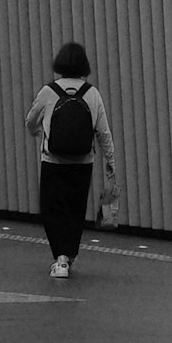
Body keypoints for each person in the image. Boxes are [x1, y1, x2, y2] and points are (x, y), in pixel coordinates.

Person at [20, 42, 118, 281]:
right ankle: (69, 255)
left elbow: (31, 120)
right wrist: (110, 164)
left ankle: (60, 259)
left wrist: (37, 133)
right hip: (83, 163)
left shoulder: (49, 91)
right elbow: (103, 133)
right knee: (75, 210)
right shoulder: (92, 93)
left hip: (53, 160)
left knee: (52, 209)